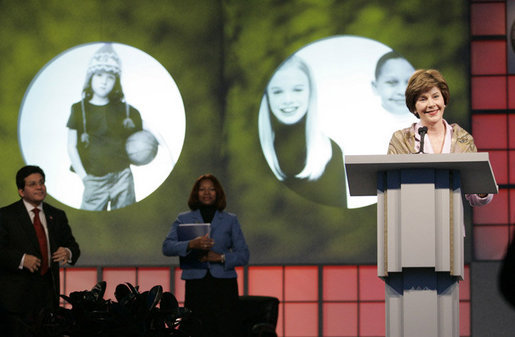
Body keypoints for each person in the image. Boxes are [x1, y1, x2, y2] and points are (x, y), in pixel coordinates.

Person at [388, 69, 493, 207]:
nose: (431, 104)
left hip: (451, 221)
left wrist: (482, 189)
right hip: (412, 217)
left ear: (444, 100)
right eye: (423, 99)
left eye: (436, 96)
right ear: (414, 107)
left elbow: (476, 196)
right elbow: (391, 186)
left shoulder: (462, 139)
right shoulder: (401, 140)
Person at [162, 174, 249, 337]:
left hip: (224, 285)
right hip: (197, 285)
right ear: (196, 193)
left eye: (211, 189)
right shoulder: (184, 218)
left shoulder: (230, 220)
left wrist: (220, 257)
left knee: (226, 329)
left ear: (218, 193)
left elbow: (244, 255)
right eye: (202, 189)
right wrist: (190, 244)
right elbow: (167, 247)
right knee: (198, 329)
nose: (207, 192)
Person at [0, 165, 80, 336]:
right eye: (33, 184)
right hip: (15, 302)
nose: (39, 187)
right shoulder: (5, 216)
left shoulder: (56, 215)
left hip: (48, 299)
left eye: (42, 183)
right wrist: (21, 259)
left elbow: (73, 246)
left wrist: (67, 251)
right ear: (21, 191)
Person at [258, 55, 346, 207]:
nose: (287, 99)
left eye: (297, 89)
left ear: (310, 92)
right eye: (277, 92)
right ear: (267, 96)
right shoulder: (250, 150)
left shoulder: (330, 151)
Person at [67, 43, 145, 211]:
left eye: (110, 77)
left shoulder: (124, 110)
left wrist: (160, 142)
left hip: (123, 177)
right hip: (94, 180)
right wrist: (84, 177)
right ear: (90, 78)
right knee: (90, 225)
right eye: (99, 75)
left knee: (126, 222)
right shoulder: (78, 109)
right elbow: (71, 146)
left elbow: (144, 132)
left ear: (116, 81)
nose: (104, 81)